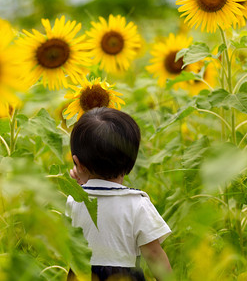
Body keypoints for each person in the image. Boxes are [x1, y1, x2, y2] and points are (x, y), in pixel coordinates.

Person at [66, 107, 172, 281]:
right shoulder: (137, 204)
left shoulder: (74, 200)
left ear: (78, 162)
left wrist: (82, 186)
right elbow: (154, 255)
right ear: (131, 158)